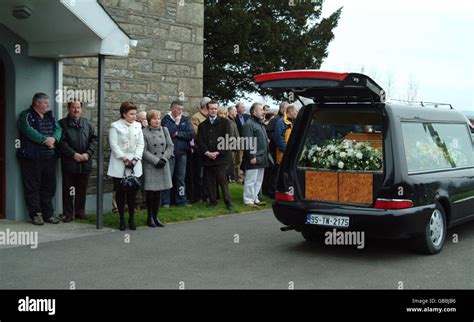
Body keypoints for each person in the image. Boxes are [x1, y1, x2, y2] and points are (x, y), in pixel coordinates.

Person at [17, 93, 62, 225]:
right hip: (32, 158)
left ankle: (48, 214)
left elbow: (58, 129)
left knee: (49, 186)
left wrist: (54, 138)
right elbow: (28, 130)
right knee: (32, 186)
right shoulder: (25, 115)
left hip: (49, 158)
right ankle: (36, 214)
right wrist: (44, 140)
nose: (48, 105)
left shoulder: (50, 116)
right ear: (37, 103)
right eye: (46, 103)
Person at [58, 99, 98, 222]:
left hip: (85, 162)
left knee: (82, 189)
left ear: (81, 109)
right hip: (70, 162)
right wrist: (73, 154)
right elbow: (61, 142)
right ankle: (68, 214)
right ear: (68, 109)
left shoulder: (87, 123)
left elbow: (94, 139)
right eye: (73, 107)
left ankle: (80, 212)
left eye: (78, 108)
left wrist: (88, 153)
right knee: (69, 190)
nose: (76, 110)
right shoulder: (61, 124)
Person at [107, 101, 144, 231]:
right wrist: (124, 158)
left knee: (133, 192)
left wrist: (135, 159)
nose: (134, 116)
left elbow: (141, 144)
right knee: (121, 192)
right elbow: (114, 144)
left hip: (134, 162)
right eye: (131, 114)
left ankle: (132, 218)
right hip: (119, 163)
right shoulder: (115, 126)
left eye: (135, 113)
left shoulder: (138, 126)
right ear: (124, 114)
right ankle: (122, 218)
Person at [196, 100, 234, 210]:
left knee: (222, 179)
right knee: (209, 180)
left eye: (215, 108)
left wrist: (217, 152)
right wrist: (207, 153)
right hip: (208, 157)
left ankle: (228, 202)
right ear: (207, 110)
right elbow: (200, 141)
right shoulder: (202, 125)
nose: (213, 110)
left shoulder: (225, 122)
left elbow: (228, 139)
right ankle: (213, 201)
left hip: (221, 157)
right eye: (211, 108)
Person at [142, 110, 174, 228]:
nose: (157, 121)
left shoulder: (164, 130)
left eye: (159, 118)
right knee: (150, 193)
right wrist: (156, 161)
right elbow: (143, 151)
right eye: (155, 118)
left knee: (159, 192)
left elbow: (170, 146)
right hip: (151, 165)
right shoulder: (144, 132)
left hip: (163, 164)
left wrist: (164, 159)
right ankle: (149, 217)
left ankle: (156, 216)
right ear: (149, 120)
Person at [161, 100, 194, 207]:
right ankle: (166, 202)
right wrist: (176, 124)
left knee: (181, 178)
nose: (180, 112)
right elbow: (169, 133)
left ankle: (181, 200)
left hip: (182, 153)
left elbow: (190, 134)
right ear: (172, 109)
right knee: (168, 177)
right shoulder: (165, 120)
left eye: (181, 109)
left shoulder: (185, 119)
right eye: (178, 109)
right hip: (170, 154)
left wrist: (177, 133)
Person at [242, 103, 272, 207]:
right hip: (254, 157)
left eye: (263, 110)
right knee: (251, 179)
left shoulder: (259, 123)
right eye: (261, 110)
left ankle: (255, 198)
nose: (263, 112)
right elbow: (248, 141)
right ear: (254, 112)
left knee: (259, 180)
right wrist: (252, 156)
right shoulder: (249, 124)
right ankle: (248, 200)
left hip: (262, 156)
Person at [190, 97, 211, 203]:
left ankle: (206, 195)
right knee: (199, 174)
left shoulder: (210, 117)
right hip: (200, 150)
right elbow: (196, 133)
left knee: (208, 174)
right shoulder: (196, 117)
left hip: (210, 149)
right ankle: (198, 197)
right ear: (205, 106)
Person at [234, 102, 250, 183]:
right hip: (238, 141)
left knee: (246, 158)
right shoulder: (234, 117)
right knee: (239, 159)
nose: (244, 108)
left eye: (244, 107)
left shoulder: (247, 116)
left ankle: (245, 174)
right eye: (242, 107)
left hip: (247, 140)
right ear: (237, 108)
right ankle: (237, 176)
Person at [227, 106, 240, 183]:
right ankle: (230, 178)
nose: (236, 112)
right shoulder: (228, 121)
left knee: (234, 162)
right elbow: (230, 135)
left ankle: (233, 177)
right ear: (230, 111)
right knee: (230, 163)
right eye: (235, 111)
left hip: (235, 145)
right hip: (231, 146)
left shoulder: (233, 120)